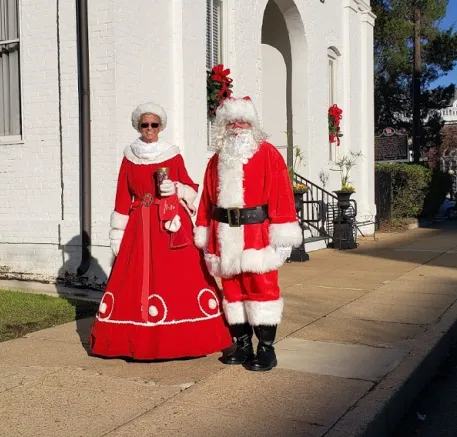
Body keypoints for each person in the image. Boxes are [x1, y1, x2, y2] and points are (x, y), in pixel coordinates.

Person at [89, 102, 231, 360]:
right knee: (136, 278)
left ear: (161, 126)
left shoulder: (172, 153)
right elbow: (122, 195)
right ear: (138, 126)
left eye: (154, 124)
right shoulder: (129, 155)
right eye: (145, 124)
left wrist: (176, 187)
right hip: (139, 225)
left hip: (169, 222)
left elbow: (189, 186)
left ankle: (186, 338)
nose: (150, 129)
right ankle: (135, 339)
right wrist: (117, 233)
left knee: (178, 276)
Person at [193, 97, 302, 372]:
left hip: (257, 237)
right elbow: (206, 200)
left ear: (252, 125)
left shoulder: (268, 154)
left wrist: (283, 235)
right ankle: (242, 345)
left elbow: (282, 195)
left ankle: (266, 349)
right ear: (223, 126)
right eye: (231, 122)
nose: (236, 127)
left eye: (242, 122)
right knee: (232, 293)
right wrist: (204, 233)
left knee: (262, 290)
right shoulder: (215, 160)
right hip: (223, 237)